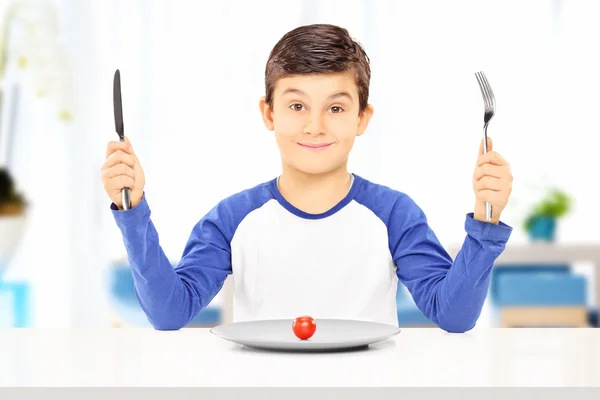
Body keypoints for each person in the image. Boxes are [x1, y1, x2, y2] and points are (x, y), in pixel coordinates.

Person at [101, 24, 513, 332]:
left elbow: (454, 315)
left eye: (335, 108)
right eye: (297, 105)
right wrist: (131, 210)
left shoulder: (395, 214)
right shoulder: (232, 217)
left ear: (362, 118)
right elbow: (169, 312)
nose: (314, 126)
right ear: (269, 113)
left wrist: (485, 221)